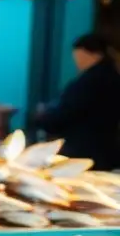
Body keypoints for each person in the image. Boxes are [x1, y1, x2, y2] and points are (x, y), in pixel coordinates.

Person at [36, 33, 120, 169]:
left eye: (78, 56)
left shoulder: (90, 81)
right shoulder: (113, 77)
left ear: (92, 54)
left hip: (82, 151)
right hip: (105, 151)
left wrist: (43, 118)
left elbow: (66, 112)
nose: (77, 62)